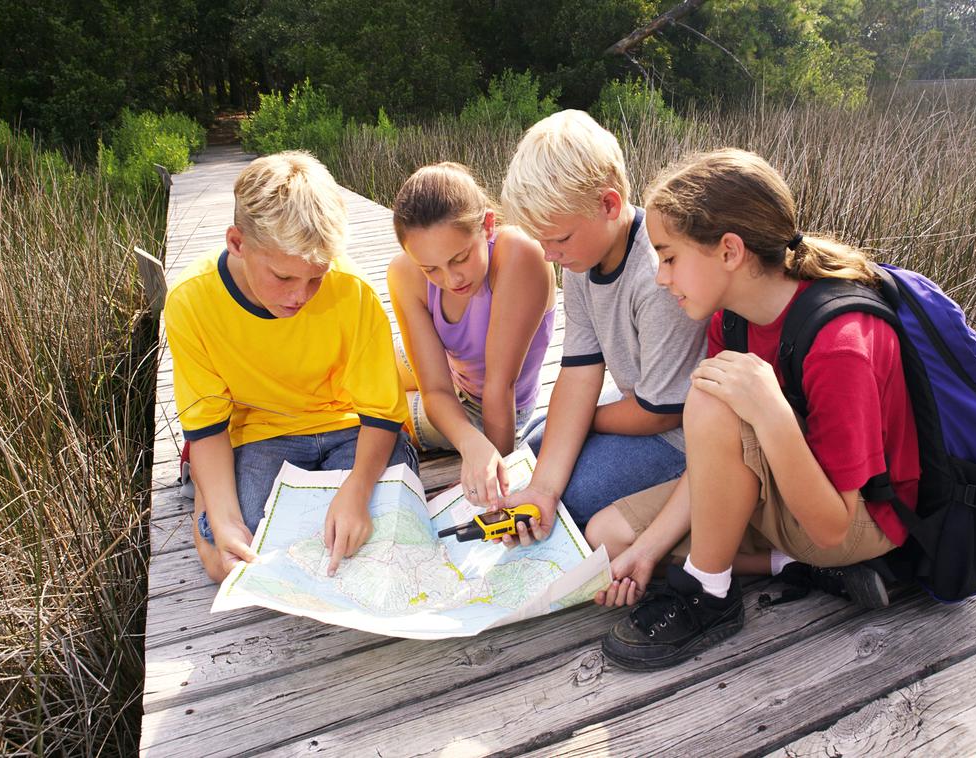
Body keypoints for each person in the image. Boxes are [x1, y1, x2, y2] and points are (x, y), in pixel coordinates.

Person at [593, 148, 920, 671]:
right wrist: (651, 546)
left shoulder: (839, 344)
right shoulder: (733, 321)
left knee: (711, 396)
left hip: (854, 522)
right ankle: (792, 568)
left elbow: (832, 526)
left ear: (729, 251)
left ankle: (709, 594)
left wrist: (770, 412)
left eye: (670, 257)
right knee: (609, 540)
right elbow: (715, 458)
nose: (661, 277)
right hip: (783, 497)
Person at [166, 151, 418, 584]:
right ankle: (205, 505)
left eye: (316, 278)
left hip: (351, 429)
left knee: (386, 531)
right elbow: (206, 426)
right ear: (237, 243)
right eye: (283, 277)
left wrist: (358, 490)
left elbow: (381, 414)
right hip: (262, 434)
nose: (301, 296)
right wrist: (224, 522)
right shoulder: (191, 301)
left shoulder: (353, 291)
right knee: (234, 555)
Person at [497, 110, 707, 535]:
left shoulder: (657, 273)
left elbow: (659, 414)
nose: (548, 255)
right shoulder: (579, 258)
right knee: (536, 449)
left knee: (572, 502)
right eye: (541, 241)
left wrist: (585, 419)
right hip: (638, 400)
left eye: (558, 240)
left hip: (681, 431)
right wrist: (544, 485)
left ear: (609, 204)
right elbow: (578, 371)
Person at [387, 162, 556, 507]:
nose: (451, 279)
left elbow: (500, 386)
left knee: (380, 415)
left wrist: (490, 458)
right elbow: (434, 386)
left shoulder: (521, 255)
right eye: (430, 268)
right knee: (363, 379)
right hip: (450, 372)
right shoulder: (403, 273)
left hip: (489, 405)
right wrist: (468, 443)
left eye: (460, 258)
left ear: (488, 225)